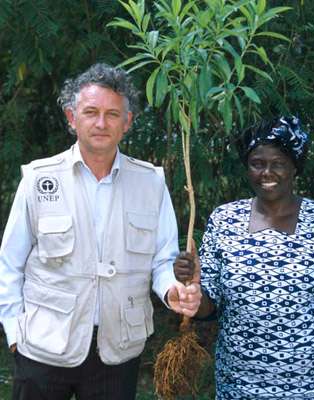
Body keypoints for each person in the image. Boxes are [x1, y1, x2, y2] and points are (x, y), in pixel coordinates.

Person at [0, 63, 201, 400]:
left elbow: (162, 260)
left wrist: (173, 292)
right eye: (90, 112)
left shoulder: (151, 183)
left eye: (112, 114)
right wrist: (13, 332)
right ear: (71, 117)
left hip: (118, 348)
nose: (101, 123)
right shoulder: (38, 179)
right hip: (44, 347)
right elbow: (9, 263)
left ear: (127, 122)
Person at [174, 116, 314, 399]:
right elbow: (208, 308)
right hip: (241, 387)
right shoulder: (225, 220)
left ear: (295, 167)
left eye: (278, 163)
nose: (266, 172)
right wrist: (192, 285)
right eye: (257, 163)